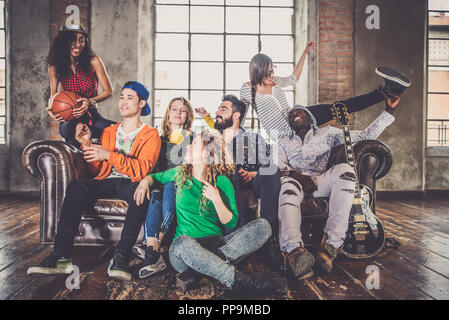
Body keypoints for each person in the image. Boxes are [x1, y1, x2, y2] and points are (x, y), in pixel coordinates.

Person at [27, 81, 161, 281]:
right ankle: (60, 255)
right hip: (106, 180)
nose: (123, 101)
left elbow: (141, 170)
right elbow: (97, 169)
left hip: (131, 182)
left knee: (140, 192)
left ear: (141, 104)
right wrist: (87, 144)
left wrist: (108, 155)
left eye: (130, 97)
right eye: (122, 96)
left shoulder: (150, 135)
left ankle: (121, 255)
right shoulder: (109, 131)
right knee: (77, 186)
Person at [134, 130, 287, 297]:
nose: (189, 146)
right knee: (181, 242)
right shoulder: (180, 174)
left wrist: (216, 199)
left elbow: (230, 223)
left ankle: (200, 270)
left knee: (263, 226)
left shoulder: (223, 182)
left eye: (194, 144)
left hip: (216, 243)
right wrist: (143, 183)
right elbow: (155, 177)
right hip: (184, 252)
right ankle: (239, 281)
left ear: (207, 154)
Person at [276, 89, 406, 278]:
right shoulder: (283, 141)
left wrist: (389, 112)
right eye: (291, 114)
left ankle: (330, 247)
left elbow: (364, 136)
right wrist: (300, 177)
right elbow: (278, 165)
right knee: (286, 189)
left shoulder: (328, 133)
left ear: (310, 117)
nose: (294, 114)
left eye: (299, 111)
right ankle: (294, 253)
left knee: (345, 170)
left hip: (320, 181)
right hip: (295, 182)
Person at [240, 42, 412, 141]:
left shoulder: (275, 81)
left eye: (273, 70)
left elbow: (293, 79)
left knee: (340, 107)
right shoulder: (247, 90)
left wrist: (305, 52)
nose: (272, 74)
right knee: (338, 112)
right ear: (257, 71)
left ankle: (385, 90)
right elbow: (239, 117)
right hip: (285, 134)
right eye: (268, 72)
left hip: (298, 117)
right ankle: (386, 90)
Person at [135, 97, 195, 279]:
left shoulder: (192, 139)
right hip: (158, 182)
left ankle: (151, 248)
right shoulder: (157, 139)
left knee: (170, 187)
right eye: (174, 109)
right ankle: (154, 252)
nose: (178, 112)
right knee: (154, 198)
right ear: (168, 114)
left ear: (188, 116)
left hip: (179, 183)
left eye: (182, 110)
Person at [46, 23, 116, 148]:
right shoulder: (54, 67)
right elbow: (53, 96)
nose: (78, 44)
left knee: (119, 131)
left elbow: (108, 91)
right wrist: (51, 108)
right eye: (73, 40)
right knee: (71, 133)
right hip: (69, 119)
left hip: (92, 115)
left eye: (81, 40)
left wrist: (89, 101)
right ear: (63, 42)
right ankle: (79, 158)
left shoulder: (93, 61)